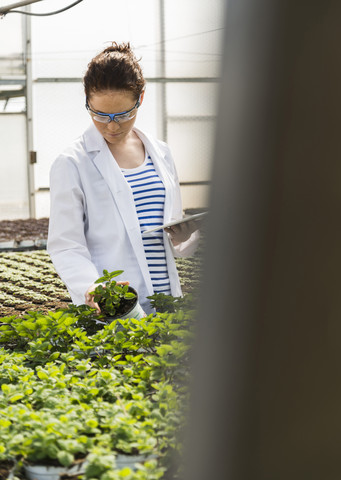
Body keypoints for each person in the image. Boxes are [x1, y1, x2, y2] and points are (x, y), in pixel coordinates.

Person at [47, 42, 200, 315]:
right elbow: (66, 245)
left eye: (123, 114)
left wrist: (186, 235)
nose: (112, 125)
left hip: (168, 304)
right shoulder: (72, 163)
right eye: (99, 114)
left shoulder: (160, 154)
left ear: (140, 98)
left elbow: (174, 241)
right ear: (87, 101)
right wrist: (91, 286)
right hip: (117, 307)